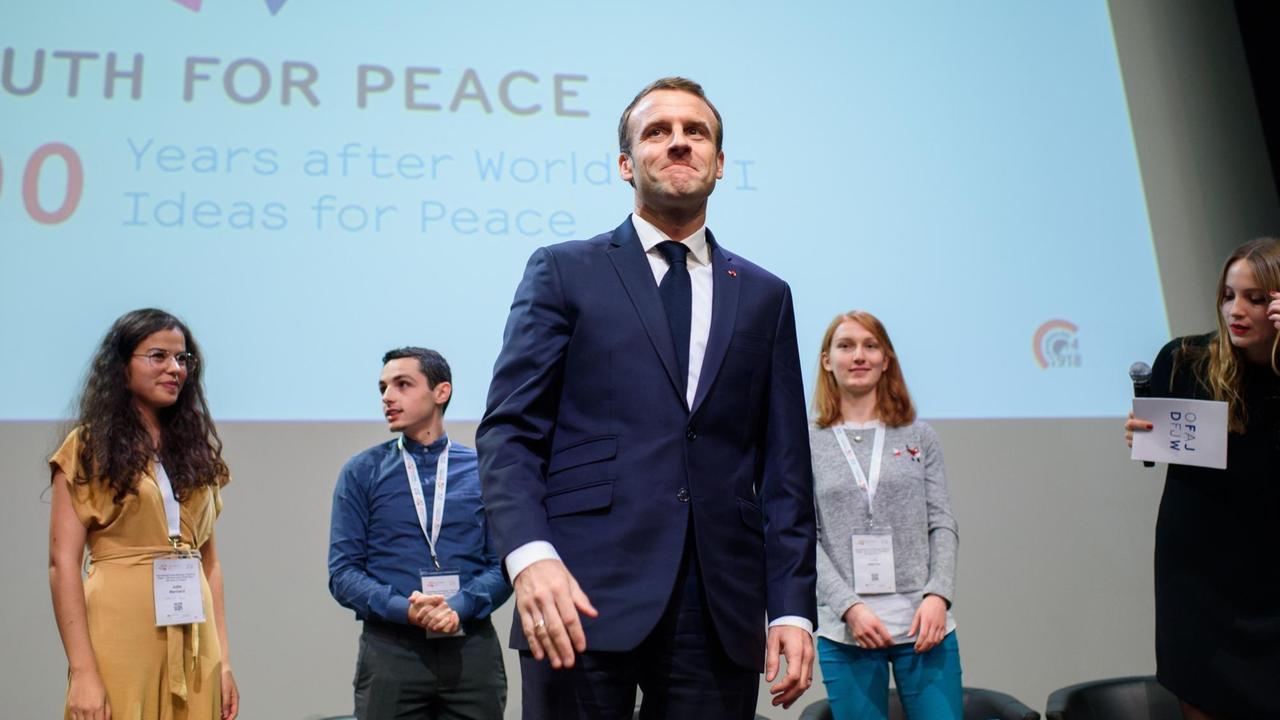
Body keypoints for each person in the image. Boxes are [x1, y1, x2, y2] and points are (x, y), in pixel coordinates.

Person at [476, 76, 817, 718]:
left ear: (719, 163)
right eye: (658, 132)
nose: (679, 144)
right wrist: (528, 558)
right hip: (575, 591)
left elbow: (786, 472)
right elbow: (509, 433)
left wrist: (794, 606)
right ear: (627, 164)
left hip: (719, 606)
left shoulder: (766, 294)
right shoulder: (563, 270)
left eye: (697, 133)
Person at [48, 308, 238, 720]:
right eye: (158, 356)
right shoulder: (87, 447)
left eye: (183, 359)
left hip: (194, 634)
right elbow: (62, 564)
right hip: (120, 630)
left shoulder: (194, 449)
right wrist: (82, 671)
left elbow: (211, 563)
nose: (175, 368)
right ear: (121, 368)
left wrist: (222, 660)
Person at [1125, 237, 1280, 720]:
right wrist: (1140, 434)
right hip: (1197, 580)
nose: (1236, 310)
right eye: (1229, 295)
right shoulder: (1184, 360)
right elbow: (1162, 442)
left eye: (1255, 299)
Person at [328, 347, 511, 720]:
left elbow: (504, 564)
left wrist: (458, 607)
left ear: (441, 392)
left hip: (470, 650)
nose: (387, 397)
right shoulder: (361, 473)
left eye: (402, 385)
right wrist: (407, 610)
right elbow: (343, 573)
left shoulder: (482, 470)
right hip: (392, 652)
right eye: (383, 388)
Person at [809, 310, 962, 720]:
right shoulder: (805, 442)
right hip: (847, 631)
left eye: (870, 345)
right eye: (846, 346)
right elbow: (805, 537)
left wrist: (937, 596)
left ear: (886, 359)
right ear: (827, 360)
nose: (859, 356)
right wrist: (850, 608)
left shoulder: (919, 435)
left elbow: (942, 522)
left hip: (925, 627)